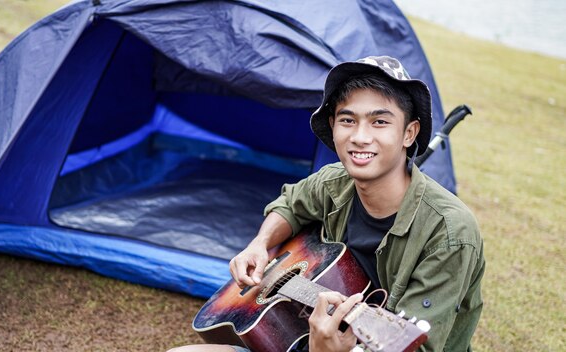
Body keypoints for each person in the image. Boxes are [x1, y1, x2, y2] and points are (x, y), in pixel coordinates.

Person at [169, 56, 485, 352]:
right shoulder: (334, 180)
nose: (360, 137)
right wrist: (260, 245)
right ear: (333, 126)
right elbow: (291, 204)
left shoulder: (449, 233)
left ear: (409, 133)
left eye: (379, 122)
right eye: (348, 120)